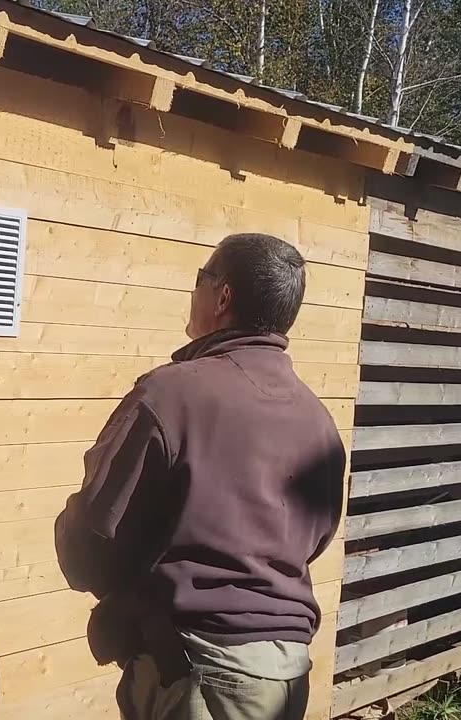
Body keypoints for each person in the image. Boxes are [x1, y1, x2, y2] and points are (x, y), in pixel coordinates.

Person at [54, 233, 346, 720]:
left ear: (223, 296)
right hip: (288, 671)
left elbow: (93, 533)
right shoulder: (318, 418)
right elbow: (315, 538)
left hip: (203, 669)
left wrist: (122, 597)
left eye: (200, 279)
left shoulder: (171, 394)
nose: (193, 293)